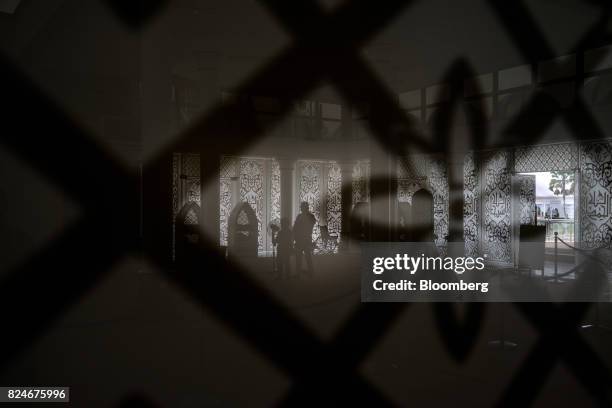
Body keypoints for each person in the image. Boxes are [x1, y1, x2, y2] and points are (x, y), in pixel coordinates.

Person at [293, 201, 316, 275]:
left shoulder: (310, 216)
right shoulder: (300, 216)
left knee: (307, 256)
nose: (301, 208)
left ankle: (309, 271)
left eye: (302, 207)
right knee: (299, 256)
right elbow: (295, 227)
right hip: (300, 239)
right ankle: (299, 272)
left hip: (305, 239)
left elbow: (310, 225)